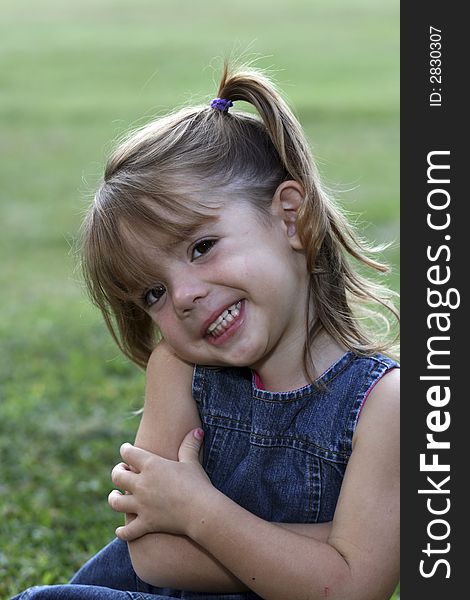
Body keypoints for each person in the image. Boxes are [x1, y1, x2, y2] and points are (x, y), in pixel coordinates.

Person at [13, 62, 399, 600]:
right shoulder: (178, 368)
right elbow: (152, 555)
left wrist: (197, 511)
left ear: (292, 217)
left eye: (201, 247)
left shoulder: (386, 404)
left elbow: (355, 589)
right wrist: (325, 553)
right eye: (154, 293)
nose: (185, 296)